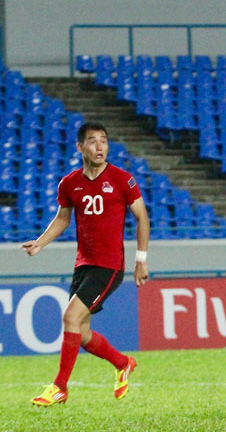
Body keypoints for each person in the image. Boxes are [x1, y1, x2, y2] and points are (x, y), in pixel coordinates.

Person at [21, 122, 151, 406]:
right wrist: (40, 243)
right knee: (80, 332)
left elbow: (142, 217)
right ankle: (123, 363)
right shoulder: (69, 183)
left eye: (104, 140)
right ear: (80, 147)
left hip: (109, 265)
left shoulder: (122, 179)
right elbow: (63, 219)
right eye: (92, 141)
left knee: (70, 317)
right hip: (84, 264)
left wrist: (141, 260)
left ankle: (59, 387)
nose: (100, 146)